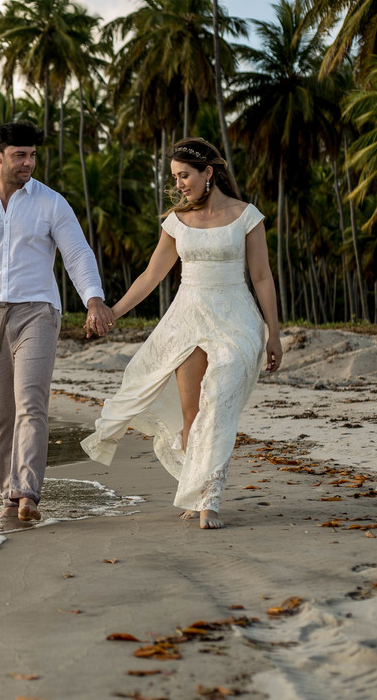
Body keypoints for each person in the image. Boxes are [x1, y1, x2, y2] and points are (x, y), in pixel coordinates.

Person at [79, 137, 282, 529]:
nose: (179, 184)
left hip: (236, 319)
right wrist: (112, 313)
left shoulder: (246, 216)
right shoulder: (177, 221)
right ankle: (197, 490)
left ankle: (211, 499)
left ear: (209, 172)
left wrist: (273, 334)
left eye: (185, 175)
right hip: (187, 320)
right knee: (192, 416)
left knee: (218, 404)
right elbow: (151, 276)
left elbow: (261, 276)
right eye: (174, 177)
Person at [0, 121, 112, 522]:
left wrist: (93, 299)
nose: (28, 163)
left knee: (31, 402)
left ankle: (28, 491)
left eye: (32, 155)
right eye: (20, 156)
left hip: (38, 313)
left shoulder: (51, 203)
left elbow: (77, 253)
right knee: (0, 412)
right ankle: (10, 491)